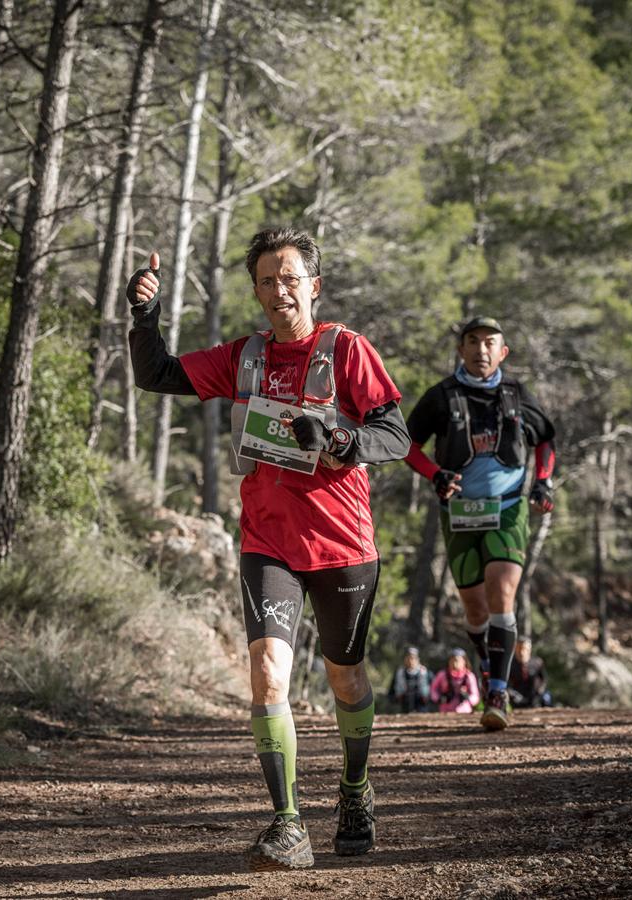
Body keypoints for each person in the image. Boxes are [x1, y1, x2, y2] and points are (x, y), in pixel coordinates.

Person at [128, 228, 409, 870]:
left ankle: (355, 791)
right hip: (267, 544)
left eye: (290, 277)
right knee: (267, 674)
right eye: (266, 280)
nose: (278, 290)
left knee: (346, 676)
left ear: (313, 285)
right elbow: (157, 375)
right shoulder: (244, 356)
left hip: (342, 543)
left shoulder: (347, 350)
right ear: (255, 291)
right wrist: (144, 315)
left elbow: (393, 435)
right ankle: (288, 824)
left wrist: (338, 439)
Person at [403, 316, 556, 732]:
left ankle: (498, 693)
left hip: (507, 507)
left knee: (501, 590)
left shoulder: (517, 394)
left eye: (490, 342)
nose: (481, 349)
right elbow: (406, 444)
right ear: (461, 349)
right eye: (472, 341)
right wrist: (434, 474)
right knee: (474, 608)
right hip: (459, 512)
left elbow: (545, 440)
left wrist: (542, 482)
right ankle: (488, 666)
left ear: (502, 351)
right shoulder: (441, 396)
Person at [429, 648, 480, 713]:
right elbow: (433, 689)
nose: (454, 663)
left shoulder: (469, 676)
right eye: (452, 660)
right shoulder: (442, 674)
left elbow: (475, 695)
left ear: (464, 661)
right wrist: (439, 698)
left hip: (464, 711)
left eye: (457, 660)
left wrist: (467, 698)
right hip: (445, 711)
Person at [508, 637, 552, 708]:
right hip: (517, 699)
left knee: (546, 697)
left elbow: (544, 679)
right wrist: (512, 694)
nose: (522, 652)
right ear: (515, 649)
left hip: (535, 697)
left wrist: (540, 691)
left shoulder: (537, 662)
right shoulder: (509, 664)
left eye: (524, 649)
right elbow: (506, 684)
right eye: (519, 648)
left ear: (529, 650)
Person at [388, 647, 433, 713]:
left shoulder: (426, 673)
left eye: (413, 658)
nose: (410, 661)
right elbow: (391, 693)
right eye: (408, 658)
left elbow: (434, 692)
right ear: (404, 659)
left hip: (422, 710)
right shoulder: (399, 673)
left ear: (418, 659)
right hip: (403, 710)